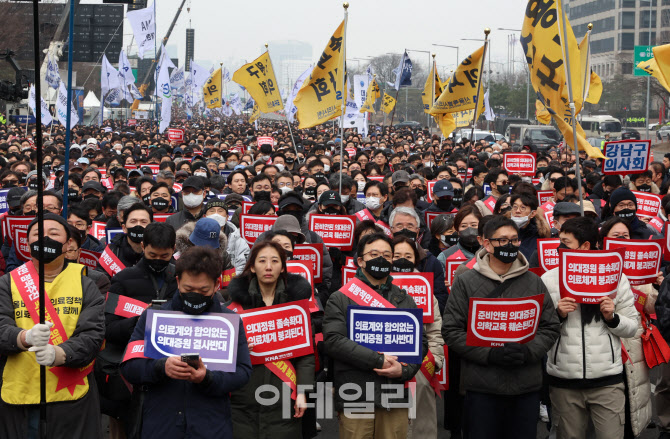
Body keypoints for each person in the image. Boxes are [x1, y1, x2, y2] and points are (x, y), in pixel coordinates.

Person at [442, 215, 560, 439]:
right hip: (481, 387)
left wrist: (529, 351)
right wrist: (489, 355)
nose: (510, 245)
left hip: (526, 385)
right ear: (486, 243)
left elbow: (550, 327)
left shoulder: (533, 281)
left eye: (515, 240)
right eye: (502, 240)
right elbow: (451, 330)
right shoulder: (466, 281)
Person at [120, 246, 252, 439]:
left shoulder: (228, 322)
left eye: (203, 290)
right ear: (178, 281)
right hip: (160, 425)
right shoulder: (154, 317)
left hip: (210, 426)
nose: (195, 294)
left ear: (217, 285)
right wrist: (160, 367)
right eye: (188, 289)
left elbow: (243, 373)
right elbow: (129, 366)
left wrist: (207, 378)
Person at [0, 213, 105, 438]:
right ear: (27, 243)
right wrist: (23, 338)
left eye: (53, 233)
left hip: (72, 396)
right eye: (37, 234)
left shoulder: (87, 283)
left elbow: (93, 335)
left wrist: (59, 353)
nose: (44, 239)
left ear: (68, 244)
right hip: (20, 396)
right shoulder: (7, 283)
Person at [541, 216, 638, 439]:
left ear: (585, 246)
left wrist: (612, 317)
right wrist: (558, 315)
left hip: (607, 382)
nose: (559, 246)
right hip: (563, 381)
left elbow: (632, 328)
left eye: (566, 242)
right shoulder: (549, 279)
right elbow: (539, 332)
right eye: (560, 240)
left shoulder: (616, 278)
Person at [323, 232, 426, 439]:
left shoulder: (405, 300)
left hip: (395, 395)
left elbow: (420, 343)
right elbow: (334, 341)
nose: (381, 259)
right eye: (374, 254)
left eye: (388, 256)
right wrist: (378, 360)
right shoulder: (341, 297)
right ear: (360, 260)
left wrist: (404, 372)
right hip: (355, 393)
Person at [226, 240, 314, 439]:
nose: (268, 267)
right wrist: (237, 349)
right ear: (252, 266)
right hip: (242, 400)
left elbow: (306, 355)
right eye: (262, 260)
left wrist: (302, 392)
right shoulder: (232, 308)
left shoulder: (296, 308)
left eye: (275, 261)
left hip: (284, 399)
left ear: (283, 267)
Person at [390, 235, 445, 439]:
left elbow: (435, 331)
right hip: (384, 366)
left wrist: (435, 361)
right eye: (396, 255)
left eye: (408, 255)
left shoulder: (425, 291)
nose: (402, 260)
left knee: (420, 428)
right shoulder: (371, 289)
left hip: (420, 368)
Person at [389, 206, 448, 312]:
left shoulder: (431, 262)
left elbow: (441, 300)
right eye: (399, 225)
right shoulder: (383, 259)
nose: (405, 230)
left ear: (417, 231)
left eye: (410, 226)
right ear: (391, 230)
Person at [97, 203, 152, 279]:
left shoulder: (158, 251)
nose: (138, 225)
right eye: (133, 221)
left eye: (143, 222)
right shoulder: (111, 252)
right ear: (124, 228)